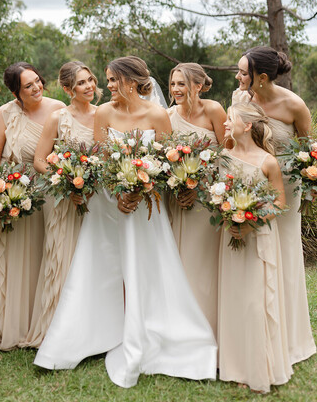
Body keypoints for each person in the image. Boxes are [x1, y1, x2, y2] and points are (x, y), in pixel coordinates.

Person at [34, 56, 217, 388]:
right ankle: (94, 333)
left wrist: (140, 188)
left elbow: (165, 161)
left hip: (146, 205)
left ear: (131, 82)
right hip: (107, 203)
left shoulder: (157, 114)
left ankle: (149, 330)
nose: (107, 86)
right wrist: (119, 190)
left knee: (146, 263)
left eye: (112, 80)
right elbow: (103, 159)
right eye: (106, 79)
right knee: (100, 265)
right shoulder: (104, 113)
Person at [233, 46, 316, 365]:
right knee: (255, 253)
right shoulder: (240, 99)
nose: (238, 77)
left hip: (287, 189)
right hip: (252, 183)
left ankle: (290, 338)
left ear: (262, 77)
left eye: (243, 72)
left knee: (285, 252)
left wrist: (314, 180)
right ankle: (256, 329)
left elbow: (309, 151)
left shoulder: (294, 105)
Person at [0, 62, 65, 350]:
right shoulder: (4, 113)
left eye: (37, 81)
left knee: (46, 254)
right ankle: (14, 323)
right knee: (16, 256)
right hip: (14, 192)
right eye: (28, 85)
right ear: (15, 92)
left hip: (48, 192)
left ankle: (45, 322)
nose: (37, 87)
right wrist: (1, 187)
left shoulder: (58, 108)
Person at [218, 102, 292, 393]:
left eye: (230, 119)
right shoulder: (224, 157)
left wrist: (252, 223)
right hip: (231, 237)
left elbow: (279, 203)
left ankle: (259, 368)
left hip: (258, 238)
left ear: (247, 125)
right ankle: (236, 366)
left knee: (255, 301)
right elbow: (219, 194)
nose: (225, 124)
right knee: (234, 299)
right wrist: (228, 215)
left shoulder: (267, 162)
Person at [26, 61, 101, 346]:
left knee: (94, 263)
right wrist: (66, 180)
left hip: (97, 202)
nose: (89, 86)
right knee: (62, 260)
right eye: (81, 83)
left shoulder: (104, 115)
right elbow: (39, 160)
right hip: (64, 201)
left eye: (90, 79)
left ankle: (92, 331)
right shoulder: (57, 118)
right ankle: (57, 331)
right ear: (68, 89)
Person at [167, 63, 226, 336]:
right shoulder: (168, 115)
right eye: (173, 84)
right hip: (177, 198)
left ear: (198, 86)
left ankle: (207, 326)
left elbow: (227, 154)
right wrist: (179, 184)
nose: (176, 89)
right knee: (179, 262)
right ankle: (181, 327)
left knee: (202, 262)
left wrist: (200, 186)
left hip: (207, 200)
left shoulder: (213, 110)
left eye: (182, 84)